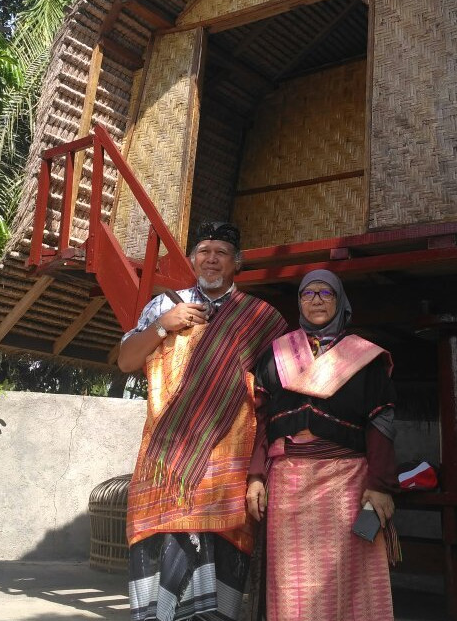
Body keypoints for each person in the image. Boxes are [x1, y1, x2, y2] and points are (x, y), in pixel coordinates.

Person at [118, 221, 287, 621]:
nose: (211, 259)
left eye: (221, 253)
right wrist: (165, 325)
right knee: (162, 537)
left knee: (220, 542)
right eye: (204, 251)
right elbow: (126, 361)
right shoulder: (165, 304)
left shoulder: (258, 317)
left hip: (227, 455)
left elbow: (272, 393)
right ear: (193, 258)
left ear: (236, 263)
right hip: (167, 454)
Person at [246, 269, 399, 621]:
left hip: (347, 483)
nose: (316, 300)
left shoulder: (364, 357)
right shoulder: (275, 355)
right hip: (289, 484)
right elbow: (262, 422)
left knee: (349, 577)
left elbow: (381, 423)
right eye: (307, 294)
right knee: (291, 582)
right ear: (299, 302)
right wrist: (256, 476)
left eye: (325, 293)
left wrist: (379, 486)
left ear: (340, 300)